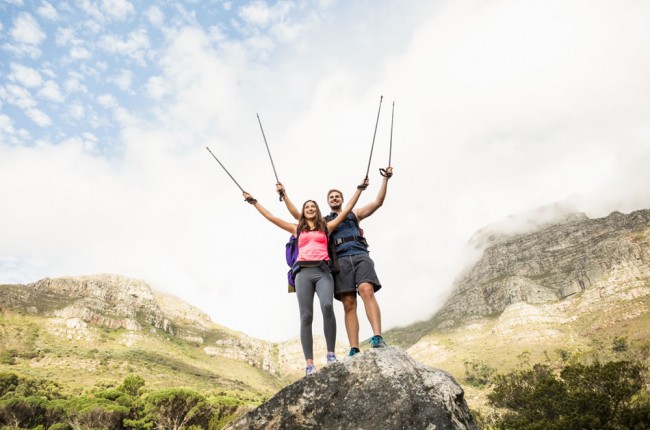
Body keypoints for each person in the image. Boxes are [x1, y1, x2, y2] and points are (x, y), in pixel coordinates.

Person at [242, 177, 368, 376]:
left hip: (323, 272)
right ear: (303, 211)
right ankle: (309, 363)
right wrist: (254, 201)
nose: (310, 209)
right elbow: (271, 217)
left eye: (313, 206)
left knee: (327, 306)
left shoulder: (327, 227)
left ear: (317, 211)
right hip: (303, 273)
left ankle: (331, 354)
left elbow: (346, 210)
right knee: (306, 316)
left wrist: (359, 189)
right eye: (306, 207)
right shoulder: (296, 228)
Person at [279, 167, 393, 357]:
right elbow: (297, 216)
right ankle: (354, 348)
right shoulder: (321, 223)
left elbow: (378, 202)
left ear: (342, 199)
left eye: (337, 196)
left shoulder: (354, 214)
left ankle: (377, 337)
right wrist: (284, 195)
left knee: (366, 290)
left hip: (359, 253)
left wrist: (385, 180)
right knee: (348, 302)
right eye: (330, 197)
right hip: (339, 261)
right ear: (327, 202)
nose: (334, 198)